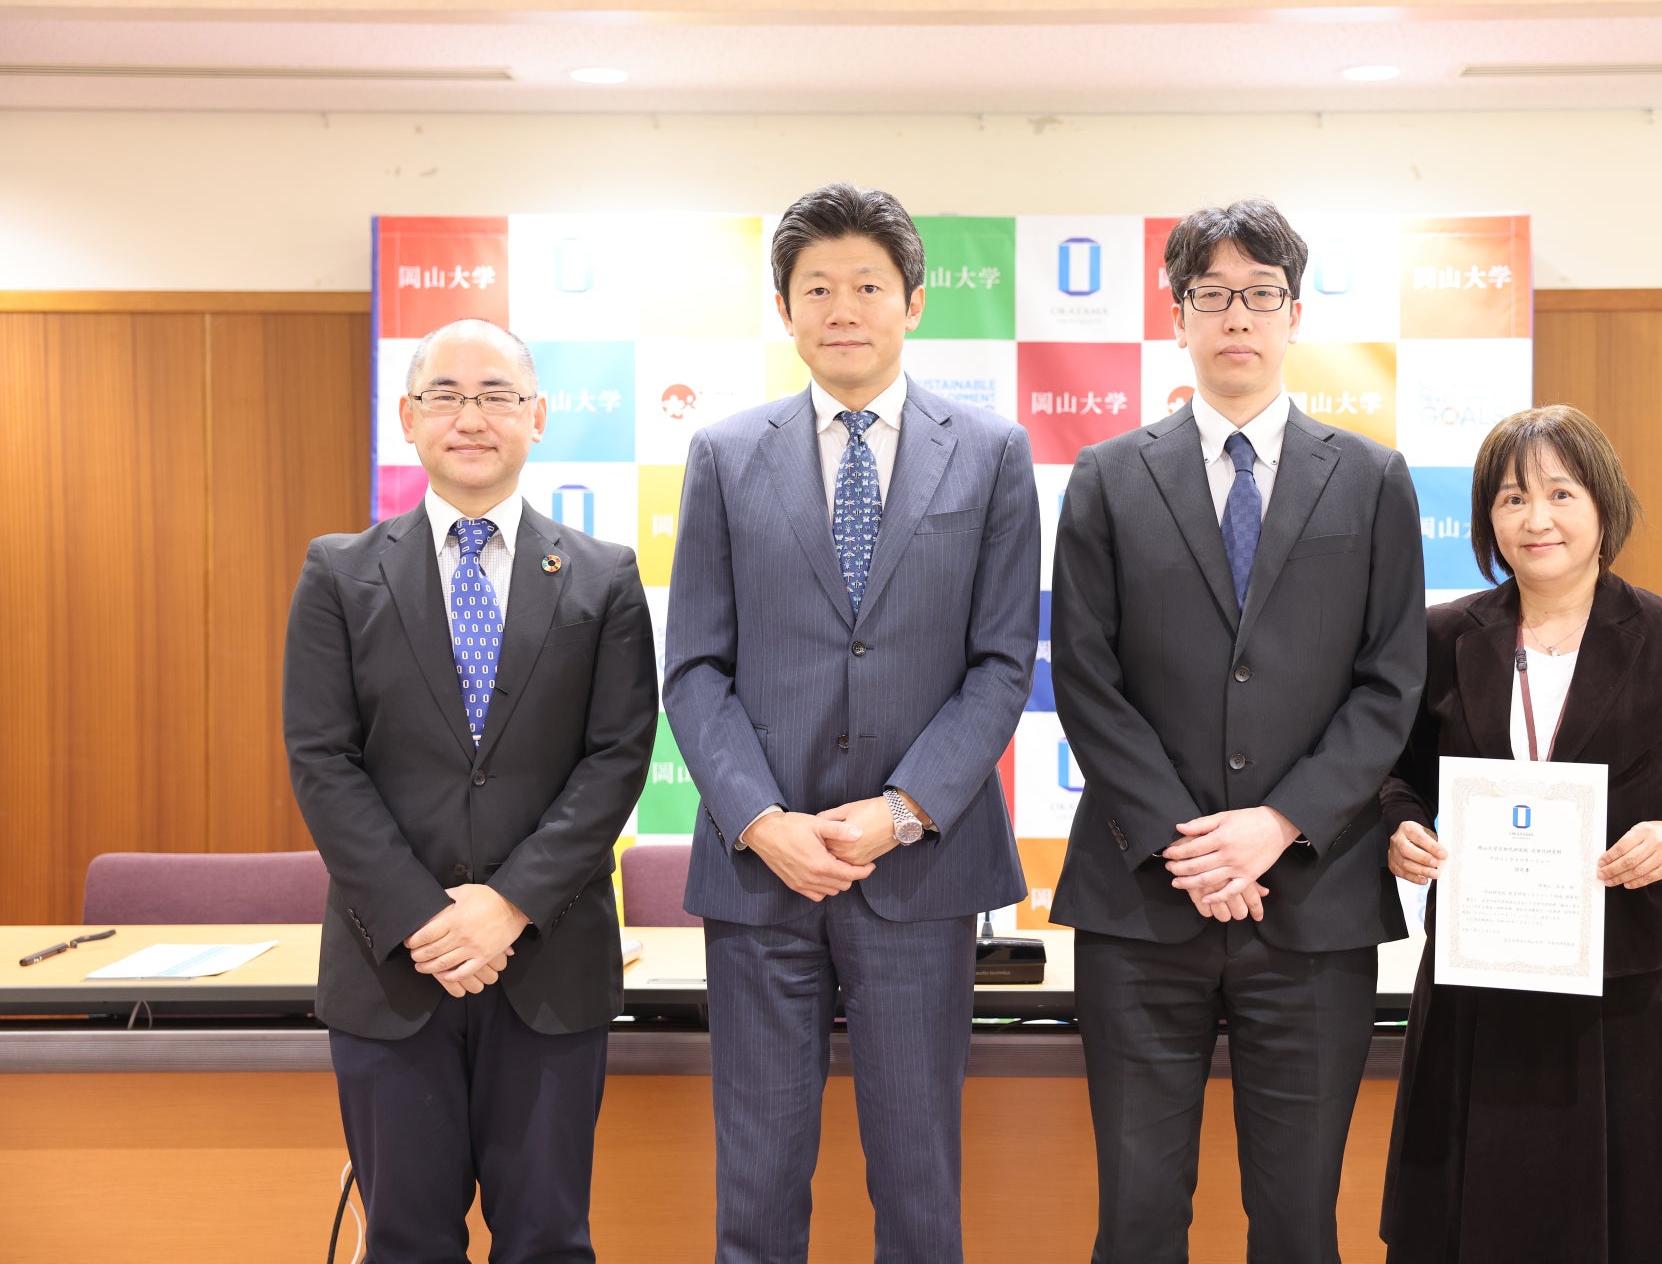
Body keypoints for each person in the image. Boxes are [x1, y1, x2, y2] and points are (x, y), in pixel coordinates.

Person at [663, 182, 1039, 1264]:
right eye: (817, 287)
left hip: (921, 873)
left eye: (868, 285)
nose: (843, 308)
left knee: (919, 1185)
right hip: (761, 877)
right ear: (785, 308)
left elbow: (1002, 662)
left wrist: (903, 809)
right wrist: (760, 820)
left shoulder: (992, 451)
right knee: (757, 1183)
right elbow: (694, 667)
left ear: (913, 302)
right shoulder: (726, 453)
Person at [1049, 198, 1427, 1264]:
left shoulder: (1373, 479)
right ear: (1177, 316)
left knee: (1300, 1219)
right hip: (1141, 901)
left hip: (1314, 898)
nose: (1237, 316)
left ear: (1295, 313)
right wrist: (1191, 844)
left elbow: (1390, 682)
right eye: (1211, 294)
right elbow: (1086, 678)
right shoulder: (1108, 477)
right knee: (1137, 1217)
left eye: (1261, 294)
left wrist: (1276, 823)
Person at [283, 318, 657, 1261]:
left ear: (538, 415)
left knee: (548, 1239)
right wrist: (424, 917)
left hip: (550, 963)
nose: (471, 416)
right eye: (445, 395)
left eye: (496, 395)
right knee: (405, 1240)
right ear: (408, 418)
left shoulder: (604, 576)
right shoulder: (339, 573)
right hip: (391, 965)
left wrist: (509, 905)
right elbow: (322, 759)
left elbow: (617, 757)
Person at [1381, 404, 1662, 1263]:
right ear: (1488, 519)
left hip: (1627, 990)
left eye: (1560, 493)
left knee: (1635, 1227)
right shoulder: (1443, 636)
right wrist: (1399, 825)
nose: (1536, 518)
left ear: (1603, 505)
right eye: (1513, 498)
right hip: (1480, 984)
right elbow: (1395, 776)